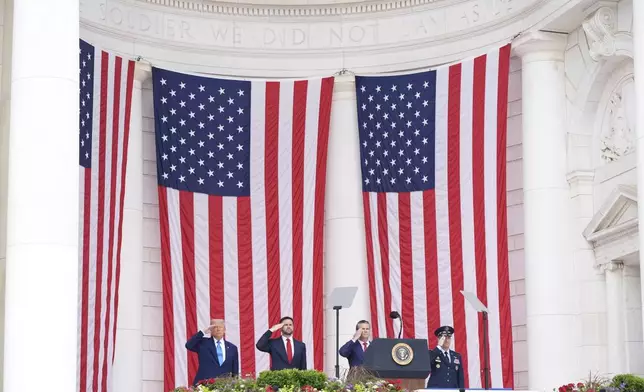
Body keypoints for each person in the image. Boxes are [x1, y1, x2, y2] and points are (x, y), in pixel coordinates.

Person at [185, 319, 239, 385]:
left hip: (225, 386)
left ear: (224, 330)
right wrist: (202, 332)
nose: (218, 329)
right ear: (210, 329)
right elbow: (189, 345)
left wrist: (235, 385)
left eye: (220, 327)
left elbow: (235, 371)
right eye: (215, 327)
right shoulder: (202, 344)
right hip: (205, 386)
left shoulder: (232, 348)